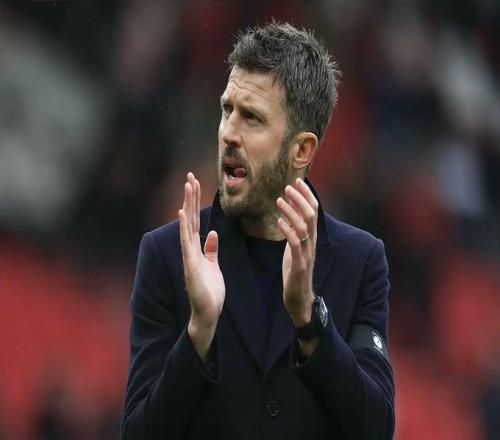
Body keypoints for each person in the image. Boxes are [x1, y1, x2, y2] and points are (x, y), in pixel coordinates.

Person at [121, 21, 395, 439]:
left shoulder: (360, 262)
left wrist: (309, 319)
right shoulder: (167, 255)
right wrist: (199, 332)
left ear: (301, 150)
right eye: (227, 110)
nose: (229, 133)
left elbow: (375, 429)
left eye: (251, 118)